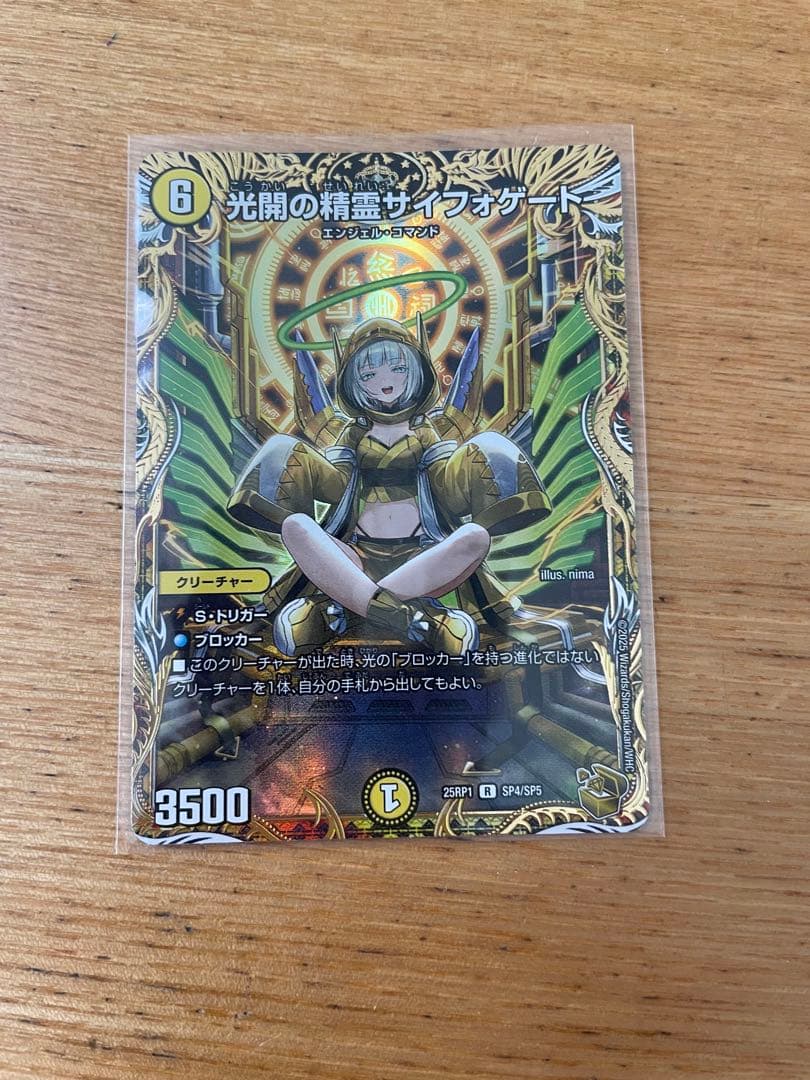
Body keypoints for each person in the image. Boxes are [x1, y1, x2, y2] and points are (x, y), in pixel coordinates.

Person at [228, 315, 551, 657]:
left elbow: (449, 491)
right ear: (352, 382)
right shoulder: (352, 433)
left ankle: (346, 609)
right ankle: (418, 619)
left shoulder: (425, 431)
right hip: (353, 556)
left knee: (475, 537)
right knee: (296, 526)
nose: (385, 382)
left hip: (422, 556)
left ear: (418, 373)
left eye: (398, 369)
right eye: (369, 375)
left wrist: (470, 461)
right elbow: (335, 487)